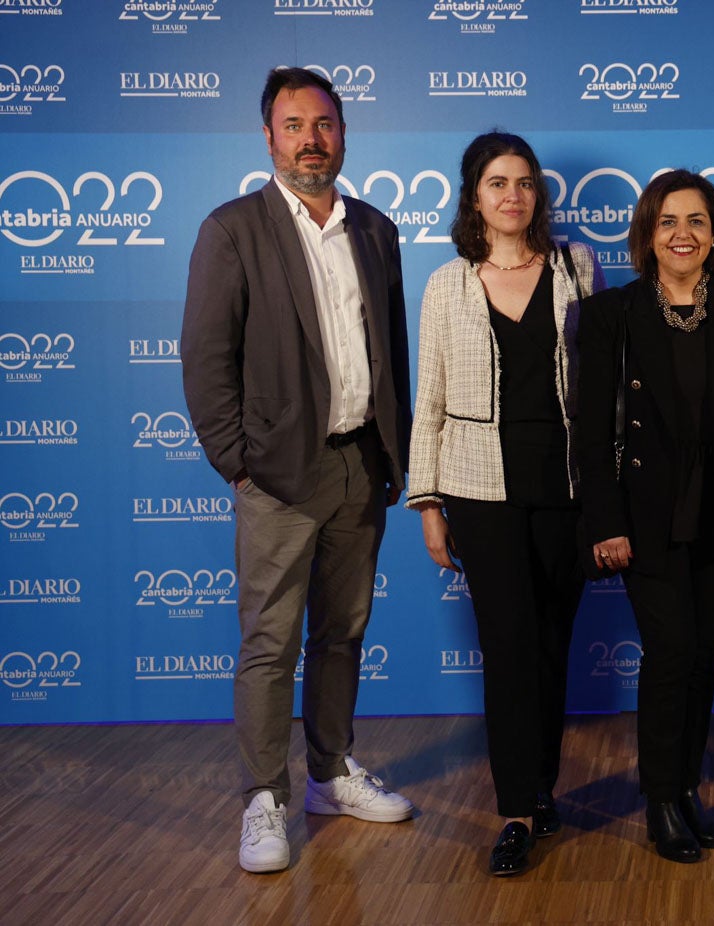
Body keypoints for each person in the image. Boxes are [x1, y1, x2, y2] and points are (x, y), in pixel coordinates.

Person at [182, 67, 414, 875]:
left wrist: (396, 451)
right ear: (268, 137)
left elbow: (392, 350)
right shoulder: (232, 229)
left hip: (361, 465)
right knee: (270, 643)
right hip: (278, 476)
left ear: (343, 133)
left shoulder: (376, 229)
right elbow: (206, 361)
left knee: (343, 634)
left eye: (323, 124)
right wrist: (237, 465)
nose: (310, 139)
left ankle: (329, 772)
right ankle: (262, 798)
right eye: (293, 125)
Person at [407, 132, 604, 877]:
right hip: (479, 491)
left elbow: (603, 384)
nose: (513, 194)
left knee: (552, 647)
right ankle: (517, 809)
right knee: (509, 651)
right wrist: (428, 504)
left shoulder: (576, 267)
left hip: (566, 489)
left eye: (524, 182)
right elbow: (428, 400)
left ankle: (542, 788)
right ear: (475, 196)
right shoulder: (446, 284)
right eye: (497, 182)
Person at [578, 169, 714, 864]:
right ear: (646, 233)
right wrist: (604, 521)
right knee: (669, 654)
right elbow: (589, 428)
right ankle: (661, 796)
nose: (682, 234)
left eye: (696, 221)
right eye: (668, 221)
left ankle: (687, 787)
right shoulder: (613, 314)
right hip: (644, 511)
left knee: (699, 658)